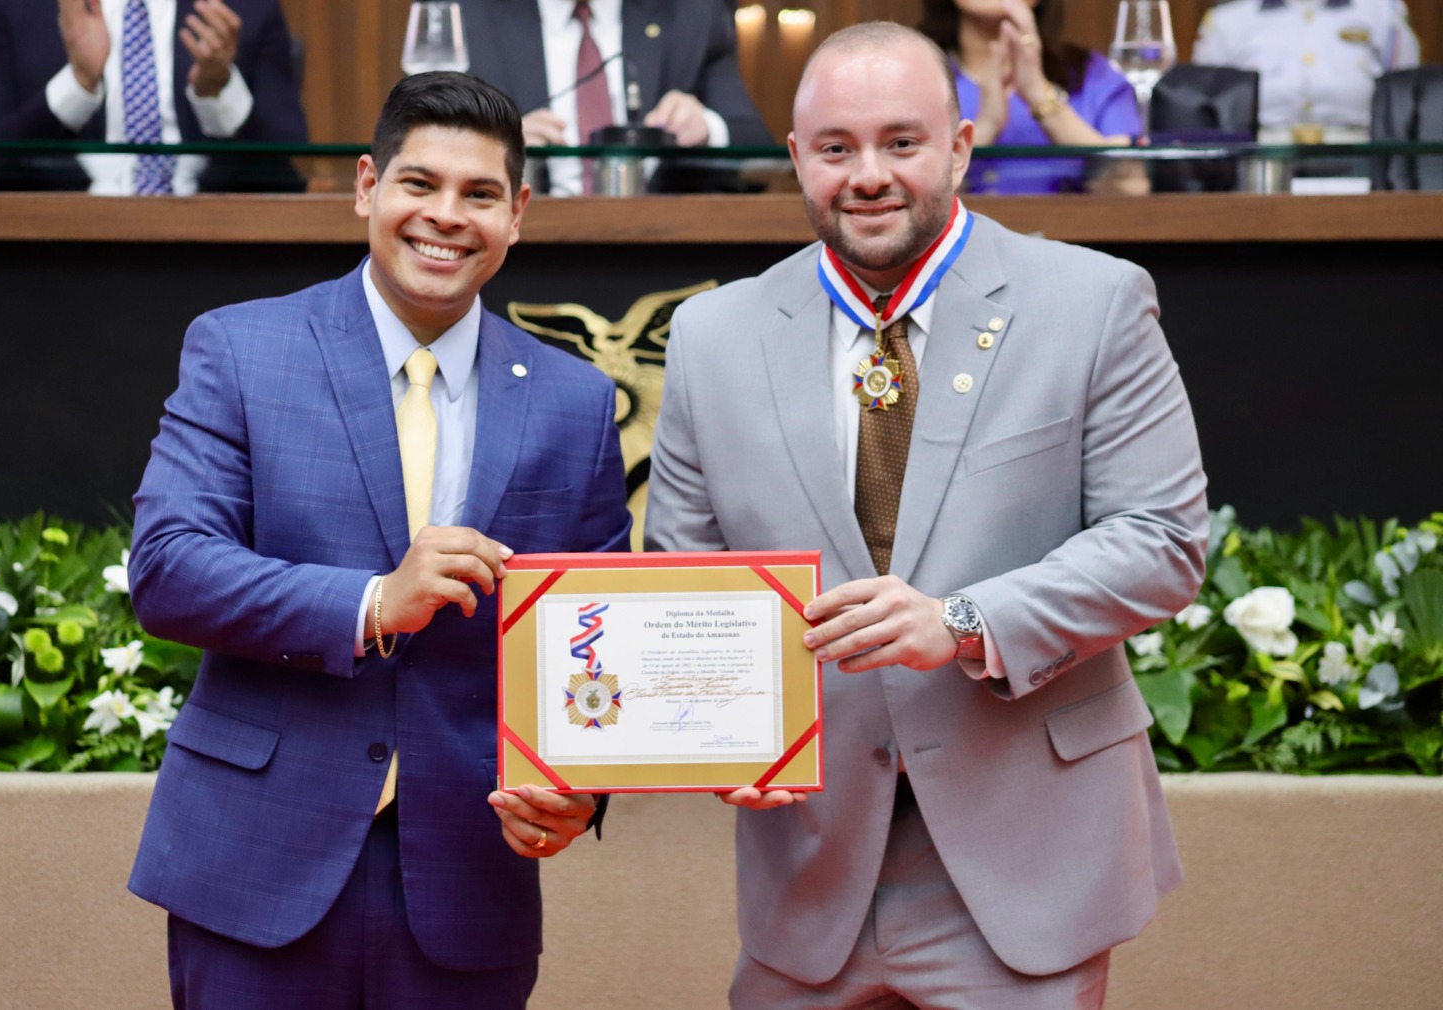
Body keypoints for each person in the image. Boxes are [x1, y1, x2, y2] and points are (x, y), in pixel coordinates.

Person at [647, 21, 1207, 1009]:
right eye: (835, 148)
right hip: (807, 866)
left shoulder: (1092, 301)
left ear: (958, 142)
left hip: (1022, 858)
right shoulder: (710, 335)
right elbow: (689, 581)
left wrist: (961, 620)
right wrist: (711, 732)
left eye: (900, 142)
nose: (868, 175)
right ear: (795, 159)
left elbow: (1162, 542)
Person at [125, 71, 632, 1008]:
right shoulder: (242, 350)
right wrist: (368, 603)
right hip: (254, 865)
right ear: (367, 187)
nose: (446, 216)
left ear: (518, 213)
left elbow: (592, 632)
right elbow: (166, 569)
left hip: (467, 880)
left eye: (480, 194)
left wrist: (580, 788)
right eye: (418, 184)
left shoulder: (574, 401)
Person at [0, 0, 308, 193]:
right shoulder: (8, 6)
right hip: (58, 243)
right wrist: (77, 86)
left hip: (211, 238)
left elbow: (292, 160)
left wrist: (218, 91)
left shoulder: (246, 8)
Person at [456, 0, 772, 194]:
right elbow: (420, 146)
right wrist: (499, 147)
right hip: (517, 251)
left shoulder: (692, 13)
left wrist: (706, 127)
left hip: (662, 252)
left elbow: (762, 152)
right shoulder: (464, 12)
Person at [921, 0, 1146, 194]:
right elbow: (910, 196)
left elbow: (1131, 187)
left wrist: (1041, 98)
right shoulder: (917, 72)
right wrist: (985, 127)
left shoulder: (1092, 74)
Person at [1193, 0, 1421, 144]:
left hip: (1361, 158)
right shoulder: (1228, 19)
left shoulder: (1383, 11)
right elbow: (1206, 108)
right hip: (1259, 163)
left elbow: (1405, 96)